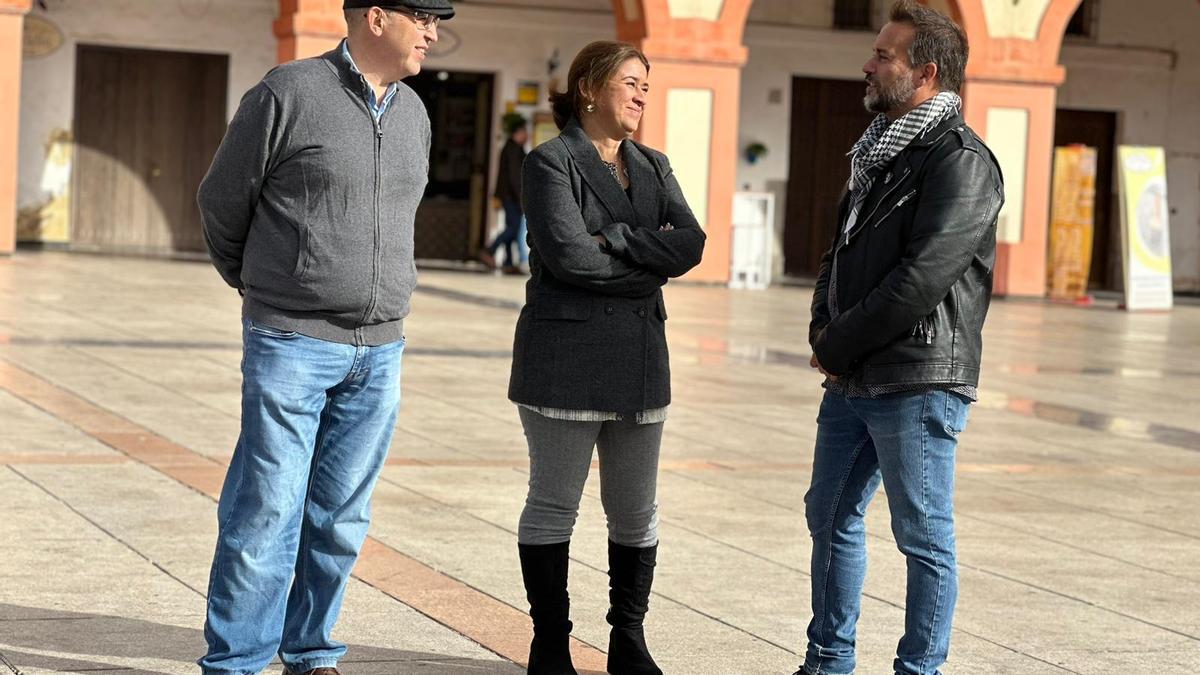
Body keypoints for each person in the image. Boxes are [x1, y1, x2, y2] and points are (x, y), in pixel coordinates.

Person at [194, 2, 453, 673]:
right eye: (422, 16)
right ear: (375, 17)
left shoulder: (414, 114)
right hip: (291, 341)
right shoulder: (288, 93)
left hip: (382, 348)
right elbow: (222, 202)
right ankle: (239, 661)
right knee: (267, 509)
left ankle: (310, 651)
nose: (433, 32)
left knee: (339, 517)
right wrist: (266, 287)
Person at [800, 2, 1003, 674]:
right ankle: (828, 659)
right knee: (828, 515)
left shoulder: (962, 161)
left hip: (918, 375)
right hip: (855, 375)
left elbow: (922, 279)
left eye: (884, 55)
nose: (868, 63)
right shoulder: (877, 155)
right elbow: (840, 251)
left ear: (925, 72)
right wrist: (822, 326)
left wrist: (834, 343)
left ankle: (919, 669)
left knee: (922, 535)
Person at [507, 41, 705, 675]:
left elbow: (693, 242)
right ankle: (550, 641)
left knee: (635, 509)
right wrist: (648, 265)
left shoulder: (654, 164)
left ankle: (629, 637)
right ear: (589, 88)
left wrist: (617, 238)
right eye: (629, 82)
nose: (641, 95)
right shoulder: (550, 162)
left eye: (646, 84)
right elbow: (569, 258)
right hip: (564, 353)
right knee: (554, 502)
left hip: (641, 356)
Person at [481, 115, 529, 273]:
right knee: (514, 229)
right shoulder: (513, 150)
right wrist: (521, 198)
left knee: (511, 227)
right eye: (525, 132)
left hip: (508, 196)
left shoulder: (511, 148)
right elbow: (515, 178)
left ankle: (509, 262)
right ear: (518, 132)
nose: (527, 135)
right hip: (511, 196)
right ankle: (490, 249)